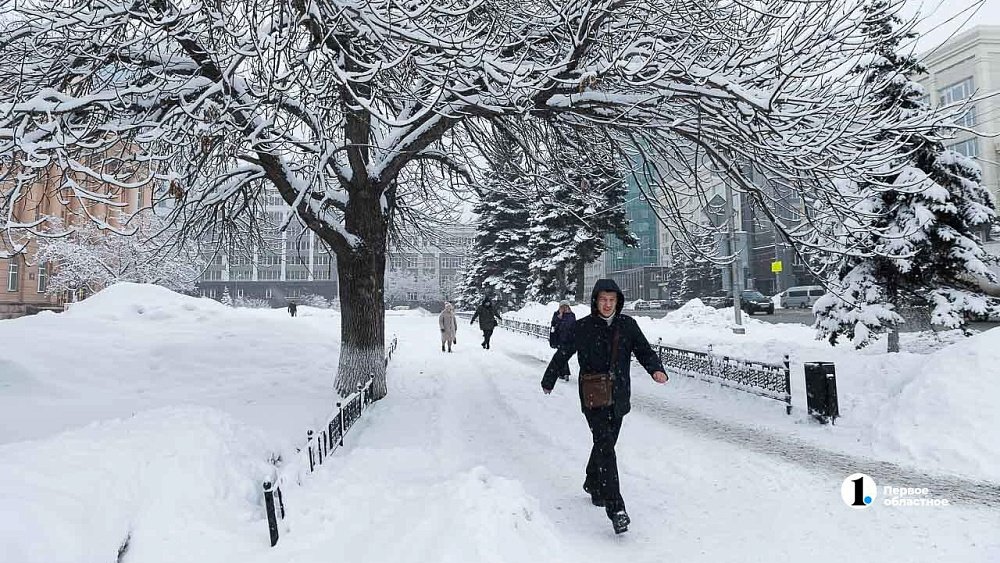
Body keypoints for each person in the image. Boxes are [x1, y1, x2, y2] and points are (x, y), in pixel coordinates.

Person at [541, 279, 668, 534]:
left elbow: (644, 351)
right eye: (603, 300)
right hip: (593, 397)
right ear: (596, 301)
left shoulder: (628, 326)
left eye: (612, 300)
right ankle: (616, 508)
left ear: (617, 301)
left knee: (605, 443)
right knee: (606, 446)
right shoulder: (583, 327)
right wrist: (549, 379)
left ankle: (592, 480)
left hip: (619, 396)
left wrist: (656, 369)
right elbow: (563, 353)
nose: (607, 304)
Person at [549, 300, 576, 381]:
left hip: (568, 338)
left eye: (566, 306)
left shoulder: (571, 315)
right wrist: (559, 318)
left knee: (562, 355)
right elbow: (553, 324)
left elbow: (572, 325)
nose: (564, 308)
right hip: (559, 338)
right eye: (562, 306)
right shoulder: (556, 314)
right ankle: (563, 373)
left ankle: (564, 373)